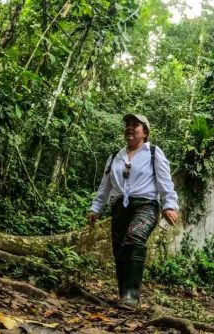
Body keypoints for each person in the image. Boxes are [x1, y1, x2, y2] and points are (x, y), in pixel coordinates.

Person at [87, 113, 179, 308]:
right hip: (120, 207)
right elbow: (105, 186)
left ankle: (132, 295)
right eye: (127, 125)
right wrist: (96, 208)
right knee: (119, 250)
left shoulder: (153, 153)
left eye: (135, 125)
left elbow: (165, 181)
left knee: (134, 238)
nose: (129, 128)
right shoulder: (115, 156)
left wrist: (169, 205)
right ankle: (124, 295)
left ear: (144, 132)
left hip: (146, 205)